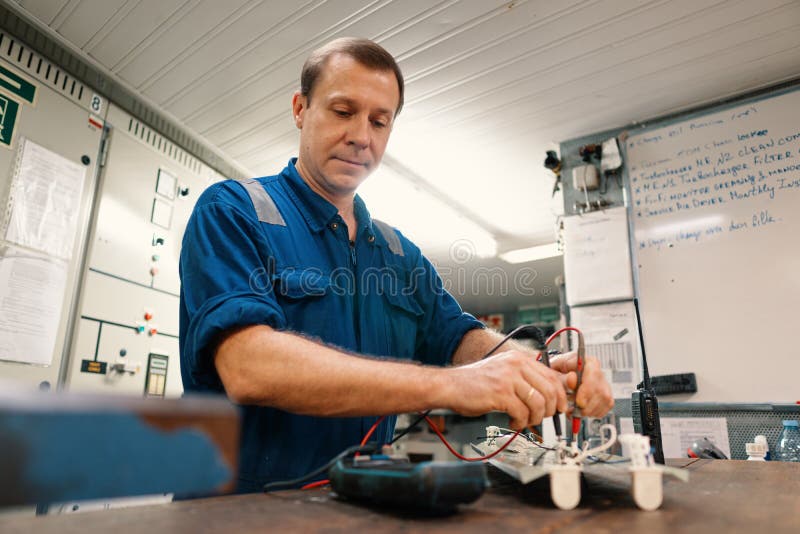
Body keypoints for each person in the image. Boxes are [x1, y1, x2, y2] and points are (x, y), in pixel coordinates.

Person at [179, 37, 613, 493]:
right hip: (236, 510)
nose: (361, 137)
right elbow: (250, 368)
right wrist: (452, 386)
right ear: (300, 109)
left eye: (379, 121)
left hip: (360, 503)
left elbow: (457, 336)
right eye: (343, 111)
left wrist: (539, 370)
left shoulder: (397, 253)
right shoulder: (234, 210)